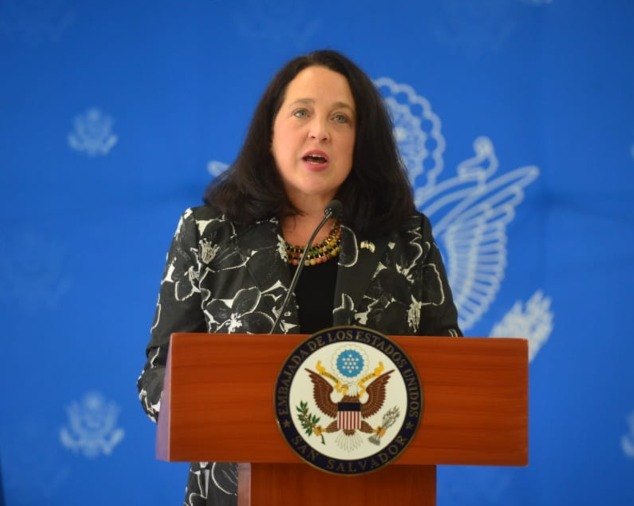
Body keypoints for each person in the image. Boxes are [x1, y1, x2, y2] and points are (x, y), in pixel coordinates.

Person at [137, 49, 461, 506]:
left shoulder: (407, 240)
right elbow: (158, 373)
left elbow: (450, 372)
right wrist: (209, 410)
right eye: (302, 112)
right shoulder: (209, 232)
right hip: (237, 490)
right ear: (270, 132)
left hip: (376, 490)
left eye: (341, 118)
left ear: (361, 141)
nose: (320, 131)